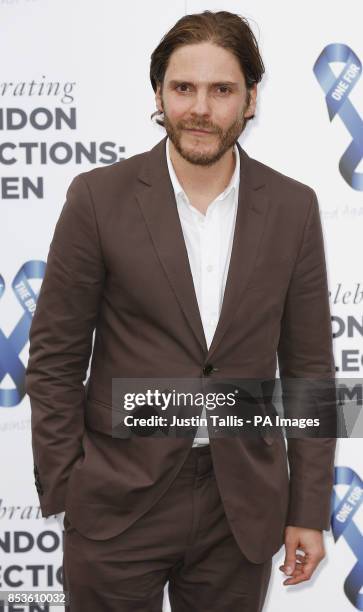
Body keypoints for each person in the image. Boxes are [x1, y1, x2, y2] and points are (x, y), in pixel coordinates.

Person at [25, 10, 337, 612]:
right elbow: (56, 359)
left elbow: (309, 372)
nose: (200, 108)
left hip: (239, 507)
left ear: (251, 99)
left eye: (222, 90)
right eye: (183, 88)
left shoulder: (295, 208)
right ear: (159, 95)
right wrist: (71, 482)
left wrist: (307, 509)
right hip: (118, 502)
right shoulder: (98, 198)